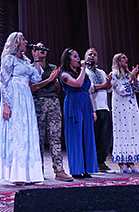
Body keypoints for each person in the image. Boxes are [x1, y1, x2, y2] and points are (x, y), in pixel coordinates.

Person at [0, 32, 43, 184]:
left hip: (26, 98)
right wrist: (6, 104)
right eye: (23, 39)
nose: (26, 42)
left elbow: (37, 78)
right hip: (14, 97)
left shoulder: (26, 61)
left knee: (27, 132)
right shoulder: (9, 59)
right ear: (16, 42)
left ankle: (29, 173)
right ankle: (17, 173)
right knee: (17, 132)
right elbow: (3, 82)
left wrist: (36, 59)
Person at [30, 42, 72, 181]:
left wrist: (55, 80)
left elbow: (58, 89)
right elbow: (32, 87)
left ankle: (59, 169)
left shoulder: (53, 67)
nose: (41, 49)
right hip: (38, 101)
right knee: (39, 137)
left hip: (53, 101)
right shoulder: (31, 68)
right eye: (38, 47)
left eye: (43, 47)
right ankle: (38, 170)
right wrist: (49, 80)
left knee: (55, 137)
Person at [60, 48, 98, 178]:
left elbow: (88, 90)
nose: (78, 59)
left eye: (78, 56)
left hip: (85, 103)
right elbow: (77, 84)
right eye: (75, 56)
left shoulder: (83, 73)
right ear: (68, 60)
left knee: (87, 134)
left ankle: (87, 168)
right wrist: (83, 69)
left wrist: (93, 110)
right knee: (75, 136)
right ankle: (76, 170)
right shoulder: (64, 74)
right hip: (73, 103)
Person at [109, 53, 139, 173]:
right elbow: (121, 91)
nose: (126, 59)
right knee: (122, 132)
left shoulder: (128, 74)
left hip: (131, 106)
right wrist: (131, 78)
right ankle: (122, 161)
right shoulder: (114, 75)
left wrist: (134, 77)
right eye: (123, 58)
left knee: (132, 131)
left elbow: (138, 89)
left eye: (126, 57)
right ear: (117, 61)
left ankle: (131, 160)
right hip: (120, 106)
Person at [84, 47, 114, 173]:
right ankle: (93, 162)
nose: (92, 56)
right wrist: (103, 85)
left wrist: (108, 83)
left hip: (104, 107)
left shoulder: (101, 72)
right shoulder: (84, 71)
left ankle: (101, 162)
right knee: (95, 136)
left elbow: (109, 89)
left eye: (95, 55)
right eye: (90, 54)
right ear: (85, 57)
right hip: (93, 108)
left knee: (105, 137)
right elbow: (89, 88)